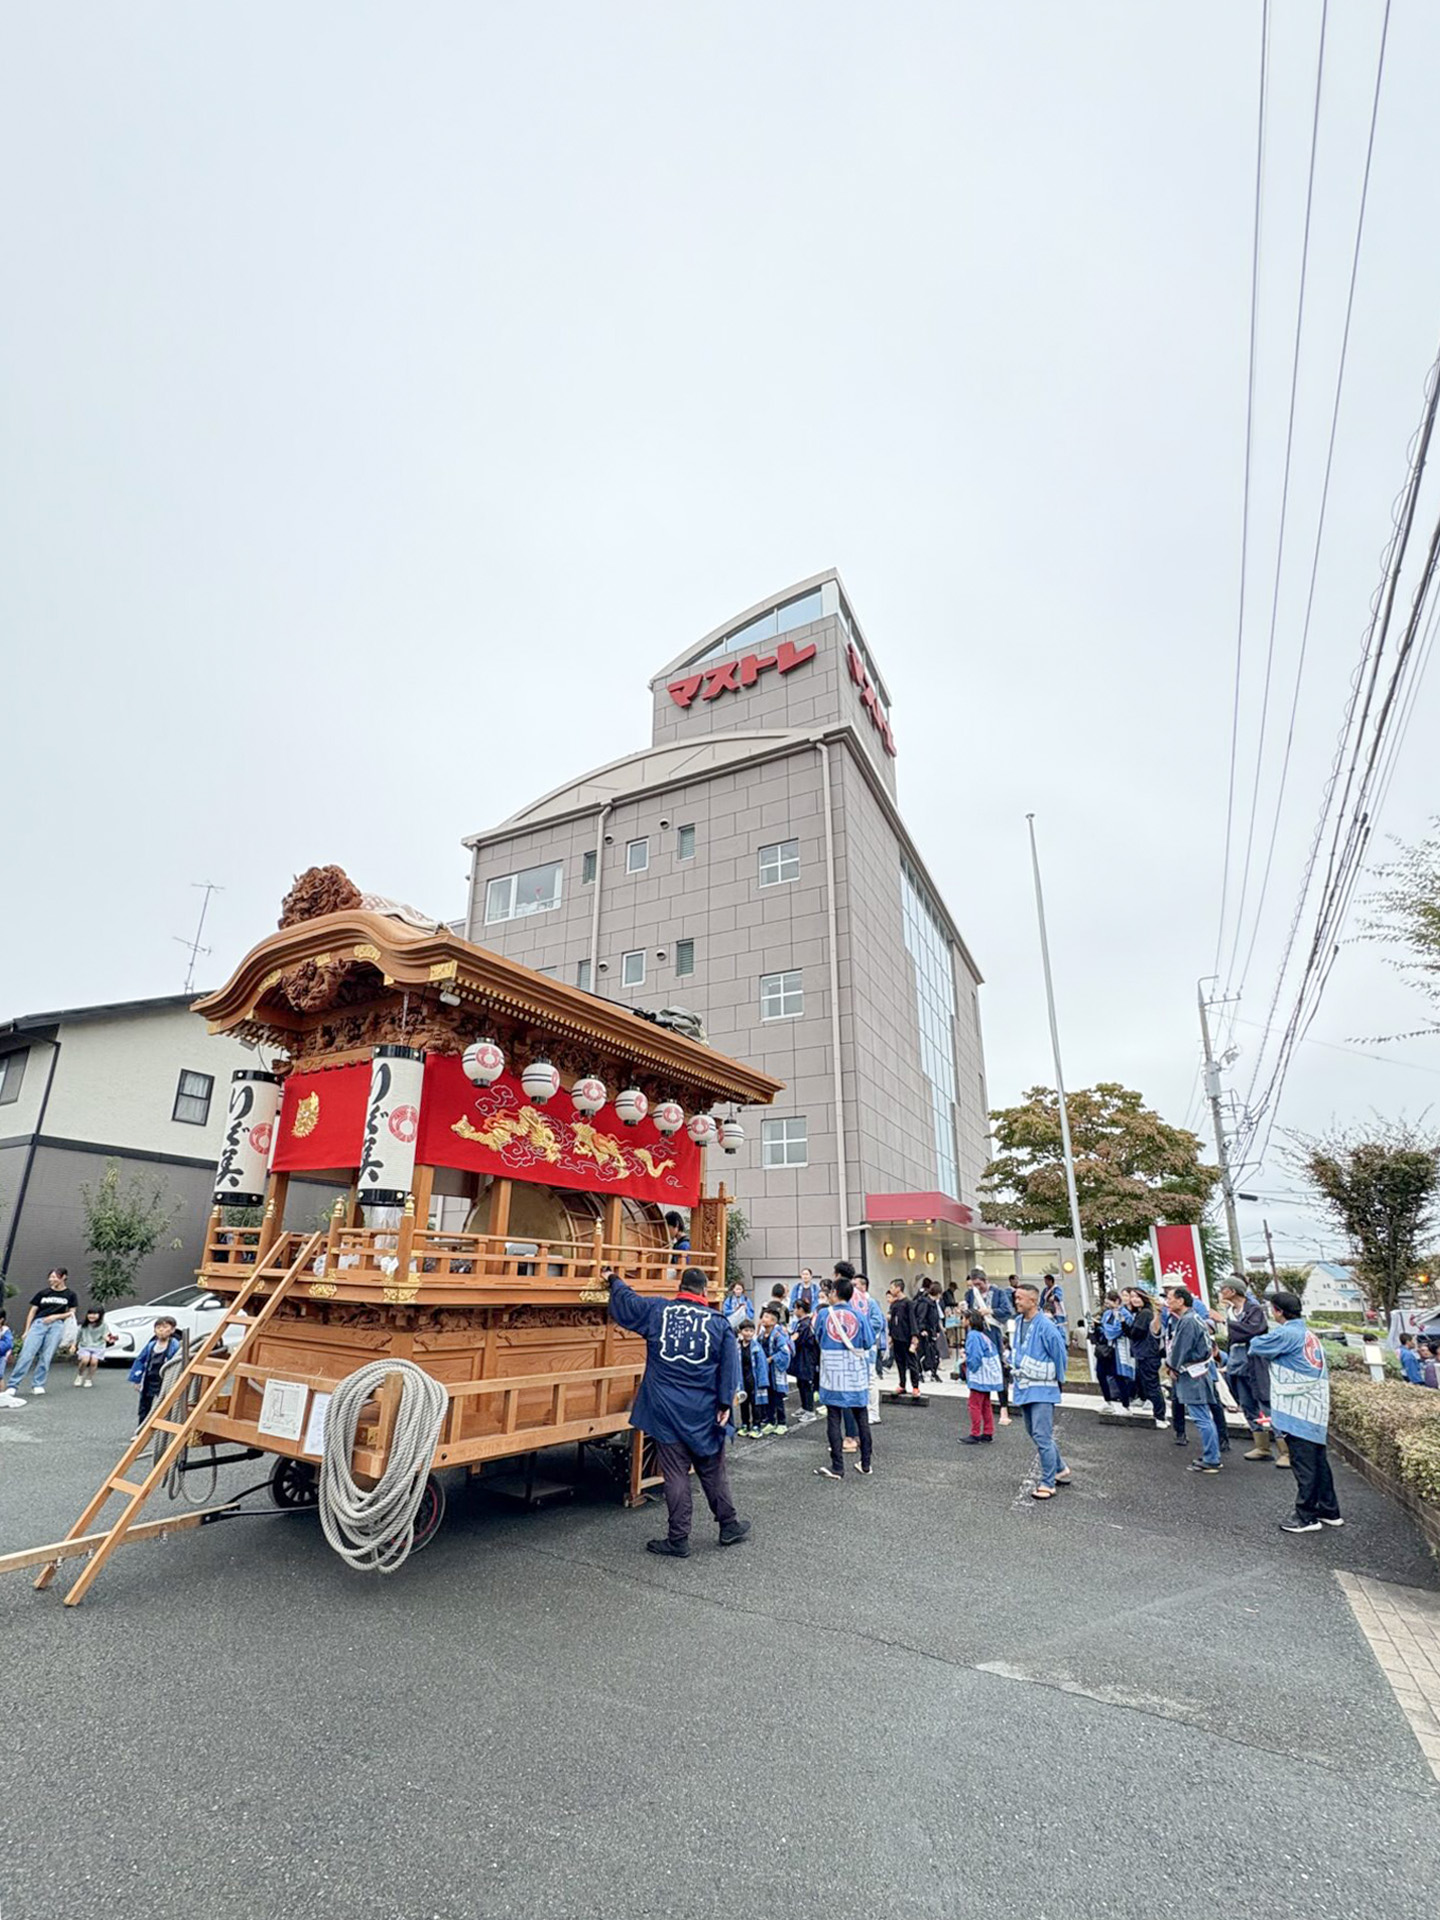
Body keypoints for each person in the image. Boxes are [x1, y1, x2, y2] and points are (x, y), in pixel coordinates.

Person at [606, 1264, 749, 1556]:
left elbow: (629, 1302)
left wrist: (613, 1280)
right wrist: (725, 1405)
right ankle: (728, 1524)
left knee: (675, 1473)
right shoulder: (718, 1323)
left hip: (666, 1408)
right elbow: (729, 1368)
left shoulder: (659, 1311)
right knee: (713, 1469)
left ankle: (678, 1538)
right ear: (705, 1292)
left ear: (679, 1289)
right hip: (705, 1410)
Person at [1248, 1289, 1343, 1534]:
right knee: (1318, 1461)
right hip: (1315, 1405)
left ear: (1277, 1311)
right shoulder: (1307, 1333)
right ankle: (1329, 1510)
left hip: (1297, 1408)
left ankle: (1306, 1516)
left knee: (1304, 1464)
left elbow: (1256, 1344)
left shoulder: (1287, 1333)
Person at [813, 1273, 876, 1480]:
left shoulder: (824, 1314)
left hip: (832, 1367)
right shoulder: (859, 1315)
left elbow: (819, 1337)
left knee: (833, 1416)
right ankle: (866, 1463)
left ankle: (838, 1467)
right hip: (855, 1368)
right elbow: (868, 1341)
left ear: (834, 1293)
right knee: (861, 1416)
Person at [1012, 1282, 1070, 1499]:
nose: (1017, 1301)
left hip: (1042, 1387)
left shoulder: (1046, 1325)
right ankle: (1060, 1468)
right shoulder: (1018, 1322)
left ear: (1033, 1300)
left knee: (1042, 1434)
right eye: (1016, 1297)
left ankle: (1048, 1482)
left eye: (1020, 1298)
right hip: (1025, 1385)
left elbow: (1059, 1353)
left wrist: (1058, 1378)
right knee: (1033, 1431)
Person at [1217, 1276, 1280, 1461]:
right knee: (1246, 1403)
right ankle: (1262, 1446)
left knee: (1265, 1402)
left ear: (1233, 1290)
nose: (1221, 1292)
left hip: (1254, 1363)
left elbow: (1254, 1330)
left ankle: (1285, 1449)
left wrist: (1225, 1322)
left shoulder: (1254, 1310)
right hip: (1237, 1363)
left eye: (1223, 1289)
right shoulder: (1230, 1311)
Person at [0, 1268, 80, 1406]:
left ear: (63, 1277)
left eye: (55, 1277)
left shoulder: (70, 1295)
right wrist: (27, 1330)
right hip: (38, 1324)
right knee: (26, 1354)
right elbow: (32, 1311)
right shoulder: (43, 1293)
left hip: (56, 1325)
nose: (52, 1280)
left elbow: (71, 1313)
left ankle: (38, 1384)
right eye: (50, 1277)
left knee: (46, 1355)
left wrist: (55, 1316)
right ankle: (13, 1385)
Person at [1165, 1287, 1221, 1473]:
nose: (1167, 1301)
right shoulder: (1195, 1317)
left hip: (1193, 1373)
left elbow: (1181, 1348)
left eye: (1170, 1298)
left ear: (1181, 1301)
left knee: (1201, 1417)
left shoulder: (1188, 1321)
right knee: (1204, 1415)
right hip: (1200, 1371)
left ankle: (1212, 1458)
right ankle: (1212, 1455)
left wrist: (1172, 1366)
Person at [1120, 1287, 1167, 1425]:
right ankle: (1159, 1415)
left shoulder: (1145, 1314)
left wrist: (1124, 1325)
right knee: (1151, 1385)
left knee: (1152, 1386)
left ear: (1143, 1298)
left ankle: (1160, 1416)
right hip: (1144, 1354)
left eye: (1137, 1297)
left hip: (1148, 1354)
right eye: (1132, 1296)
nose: (1134, 1299)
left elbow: (1136, 1334)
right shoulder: (1140, 1313)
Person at [128, 1316, 182, 1428]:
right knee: (144, 1405)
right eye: (158, 1327)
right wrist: (137, 1379)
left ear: (172, 1330)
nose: (161, 1330)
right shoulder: (151, 1345)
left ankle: (163, 1427)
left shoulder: (175, 1345)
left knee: (165, 1403)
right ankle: (141, 1428)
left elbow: (178, 1362)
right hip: (149, 1377)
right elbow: (140, 1360)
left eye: (165, 1327)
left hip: (165, 1379)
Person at [961, 1309, 1004, 1444]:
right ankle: (987, 1431)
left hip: (980, 1374)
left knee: (974, 1404)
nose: (962, 1321)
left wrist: (970, 1368)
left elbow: (975, 1356)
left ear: (969, 1320)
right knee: (986, 1404)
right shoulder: (983, 1335)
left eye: (963, 1318)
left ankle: (974, 1433)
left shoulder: (973, 1335)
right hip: (990, 1374)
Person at [1089, 1292, 1132, 1417]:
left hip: (1118, 1349)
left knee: (1119, 1377)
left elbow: (1116, 1331)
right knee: (1101, 1374)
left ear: (1117, 1301)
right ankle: (1107, 1401)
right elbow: (1104, 1330)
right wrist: (1098, 1327)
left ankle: (1126, 1405)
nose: (1108, 1306)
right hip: (1105, 1348)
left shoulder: (1124, 1314)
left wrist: (1103, 1327)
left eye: (1110, 1303)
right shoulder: (1107, 1314)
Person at [758, 1304, 792, 1435]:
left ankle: (782, 1423)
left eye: (766, 1317)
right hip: (766, 1371)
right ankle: (771, 1421)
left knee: (778, 1398)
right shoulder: (761, 1335)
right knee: (769, 1397)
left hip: (775, 1370)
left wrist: (772, 1358)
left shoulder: (778, 1335)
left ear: (773, 1321)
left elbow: (785, 1352)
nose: (763, 1319)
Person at [887, 1280, 921, 1395]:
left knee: (911, 1362)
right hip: (897, 1337)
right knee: (899, 1362)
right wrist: (891, 1335)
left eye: (892, 1287)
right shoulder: (894, 1304)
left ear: (898, 1288)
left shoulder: (908, 1303)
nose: (891, 1290)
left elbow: (912, 1320)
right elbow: (892, 1321)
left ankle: (915, 1386)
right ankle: (902, 1384)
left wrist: (914, 1336)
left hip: (907, 1337)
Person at [790, 1303, 821, 1422]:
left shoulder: (806, 1324)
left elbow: (797, 1340)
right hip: (802, 1357)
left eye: (795, 1308)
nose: (794, 1311)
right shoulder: (803, 1323)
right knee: (801, 1383)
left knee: (806, 1384)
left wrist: (789, 1336)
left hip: (807, 1358)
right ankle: (804, 1407)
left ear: (801, 1309)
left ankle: (810, 1411)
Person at [736, 1321, 764, 1435]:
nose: (748, 1333)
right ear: (740, 1332)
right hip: (742, 1379)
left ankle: (757, 1426)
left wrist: (762, 1381)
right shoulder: (737, 1345)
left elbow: (761, 1365)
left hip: (753, 1379)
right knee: (743, 1402)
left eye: (751, 1331)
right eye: (746, 1330)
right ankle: (745, 1424)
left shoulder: (756, 1347)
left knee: (755, 1403)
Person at [912, 1280, 943, 1382]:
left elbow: (935, 1318)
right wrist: (922, 1329)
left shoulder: (932, 1303)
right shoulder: (925, 1303)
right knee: (922, 1353)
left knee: (934, 1353)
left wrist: (937, 1330)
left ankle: (932, 1372)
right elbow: (921, 1317)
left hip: (931, 1331)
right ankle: (920, 1373)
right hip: (925, 1332)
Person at [74, 1308, 106, 1388]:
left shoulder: (104, 1325)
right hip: (85, 1345)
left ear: (100, 1315)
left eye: (95, 1314)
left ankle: (89, 1379)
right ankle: (80, 1375)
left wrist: (109, 1338)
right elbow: (77, 1336)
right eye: (90, 1314)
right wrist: (73, 1345)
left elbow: (106, 1335)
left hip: (98, 1346)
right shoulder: (83, 1325)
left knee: (94, 1362)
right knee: (85, 1360)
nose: (92, 1316)